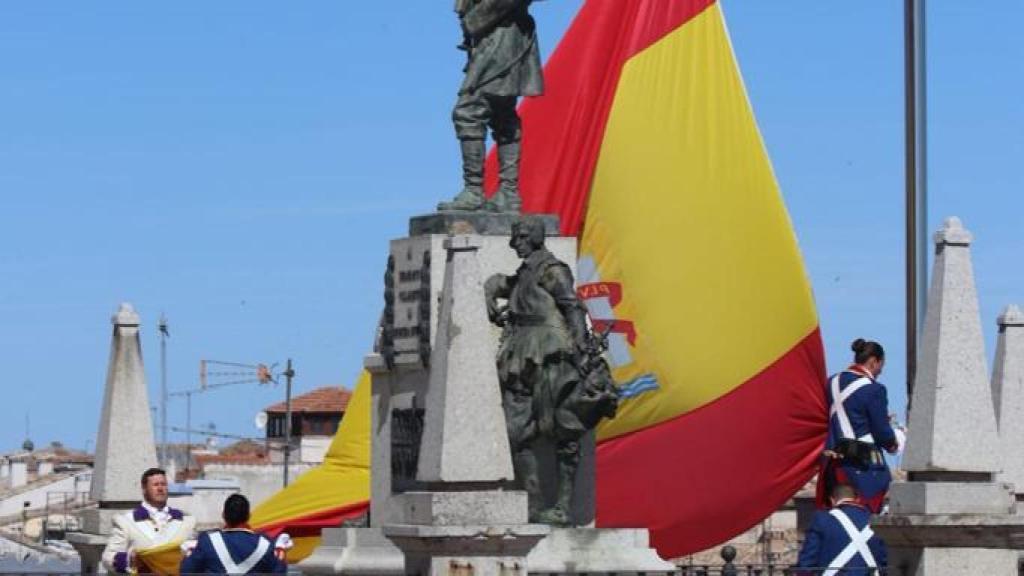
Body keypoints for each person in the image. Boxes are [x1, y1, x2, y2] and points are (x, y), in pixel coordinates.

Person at [484, 216, 618, 524]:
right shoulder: (526, 270)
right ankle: (533, 501)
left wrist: (582, 351)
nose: (513, 243)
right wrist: (491, 288)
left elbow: (572, 307)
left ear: (533, 238)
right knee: (515, 431)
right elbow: (508, 284)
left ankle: (562, 506)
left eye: (519, 237)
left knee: (564, 429)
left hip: (551, 352)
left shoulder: (552, 270)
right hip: (521, 352)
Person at [437, 0, 544, 213]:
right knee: (502, 115)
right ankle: (508, 192)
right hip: (494, 39)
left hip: (501, 38)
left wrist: (477, 19)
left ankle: (475, 191)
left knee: (469, 111)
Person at [818, 339, 899, 513]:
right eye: (881, 365)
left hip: (833, 461)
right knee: (865, 514)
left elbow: (848, 413)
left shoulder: (832, 382)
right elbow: (881, 431)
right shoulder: (874, 389)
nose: (881, 371)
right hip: (861, 463)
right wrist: (893, 444)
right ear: (873, 361)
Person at [101, 468, 196, 574]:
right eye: (155, 485)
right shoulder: (125, 521)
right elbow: (108, 557)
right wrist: (131, 559)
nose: (160, 488)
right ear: (144, 489)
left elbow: (193, 553)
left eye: (163, 484)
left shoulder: (186, 521)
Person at [179, 494, 286, 574]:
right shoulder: (265, 543)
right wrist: (281, 551)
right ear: (248, 516)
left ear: (223, 515)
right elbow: (279, 572)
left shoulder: (207, 542)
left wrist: (189, 552)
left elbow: (187, 571)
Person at [797, 484, 887, 575]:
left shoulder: (821, 519)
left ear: (832, 500)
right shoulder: (874, 521)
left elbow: (807, 560)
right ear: (858, 500)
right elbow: (884, 559)